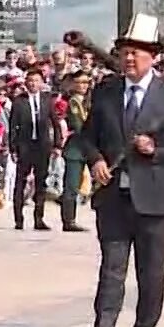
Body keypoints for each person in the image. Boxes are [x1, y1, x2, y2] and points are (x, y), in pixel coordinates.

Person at [69, 14, 164, 327]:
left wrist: (157, 150)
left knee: (151, 272)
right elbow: (86, 136)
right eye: (125, 52)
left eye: (136, 53)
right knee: (112, 266)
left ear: (151, 57)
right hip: (113, 196)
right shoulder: (107, 91)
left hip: (154, 198)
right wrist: (95, 159)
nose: (128, 58)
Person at [8, 66, 57, 230]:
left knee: (40, 182)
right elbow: (13, 126)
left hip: (42, 146)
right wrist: (13, 148)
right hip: (25, 146)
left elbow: (55, 123)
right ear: (26, 82)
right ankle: (18, 219)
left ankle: (39, 218)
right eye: (30, 80)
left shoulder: (47, 100)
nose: (33, 84)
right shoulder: (19, 101)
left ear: (41, 83)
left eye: (36, 81)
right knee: (20, 183)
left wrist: (57, 144)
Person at [58, 70, 93, 232]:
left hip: (91, 148)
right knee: (71, 186)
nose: (83, 86)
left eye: (85, 82)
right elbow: (79, 125)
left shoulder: (90, 101)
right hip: (77, 148)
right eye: (79, 82)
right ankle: (68, 220)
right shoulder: (73, 102)